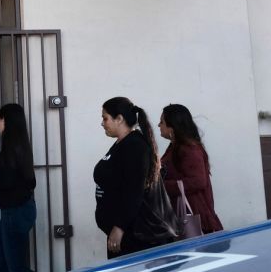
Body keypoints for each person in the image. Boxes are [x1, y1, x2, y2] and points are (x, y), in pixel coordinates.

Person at [94, 96, 168, 258]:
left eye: (105, 118)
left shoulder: (135, 146)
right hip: (124, 233)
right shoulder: (122, 143)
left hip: (134, 235)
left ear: (119, 119)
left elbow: (134, 190)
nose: (102, 123)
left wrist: (119, 227)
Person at [0, 103, 43, 272]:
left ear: (7, 121)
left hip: (15, 210)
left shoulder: (12, 149)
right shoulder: (20, 146)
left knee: (16, 267)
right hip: (18, 209)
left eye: (0, 119)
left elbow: (13, 181)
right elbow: (29, 181)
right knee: (0, 261)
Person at [159, 104, 223, 233]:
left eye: (162, 122)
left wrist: (163, 186)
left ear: (172, 126)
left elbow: (198, 181)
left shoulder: (188, 149)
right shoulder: (175, 147)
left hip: (195, 217)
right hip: (180, 214)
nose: (159, 125)